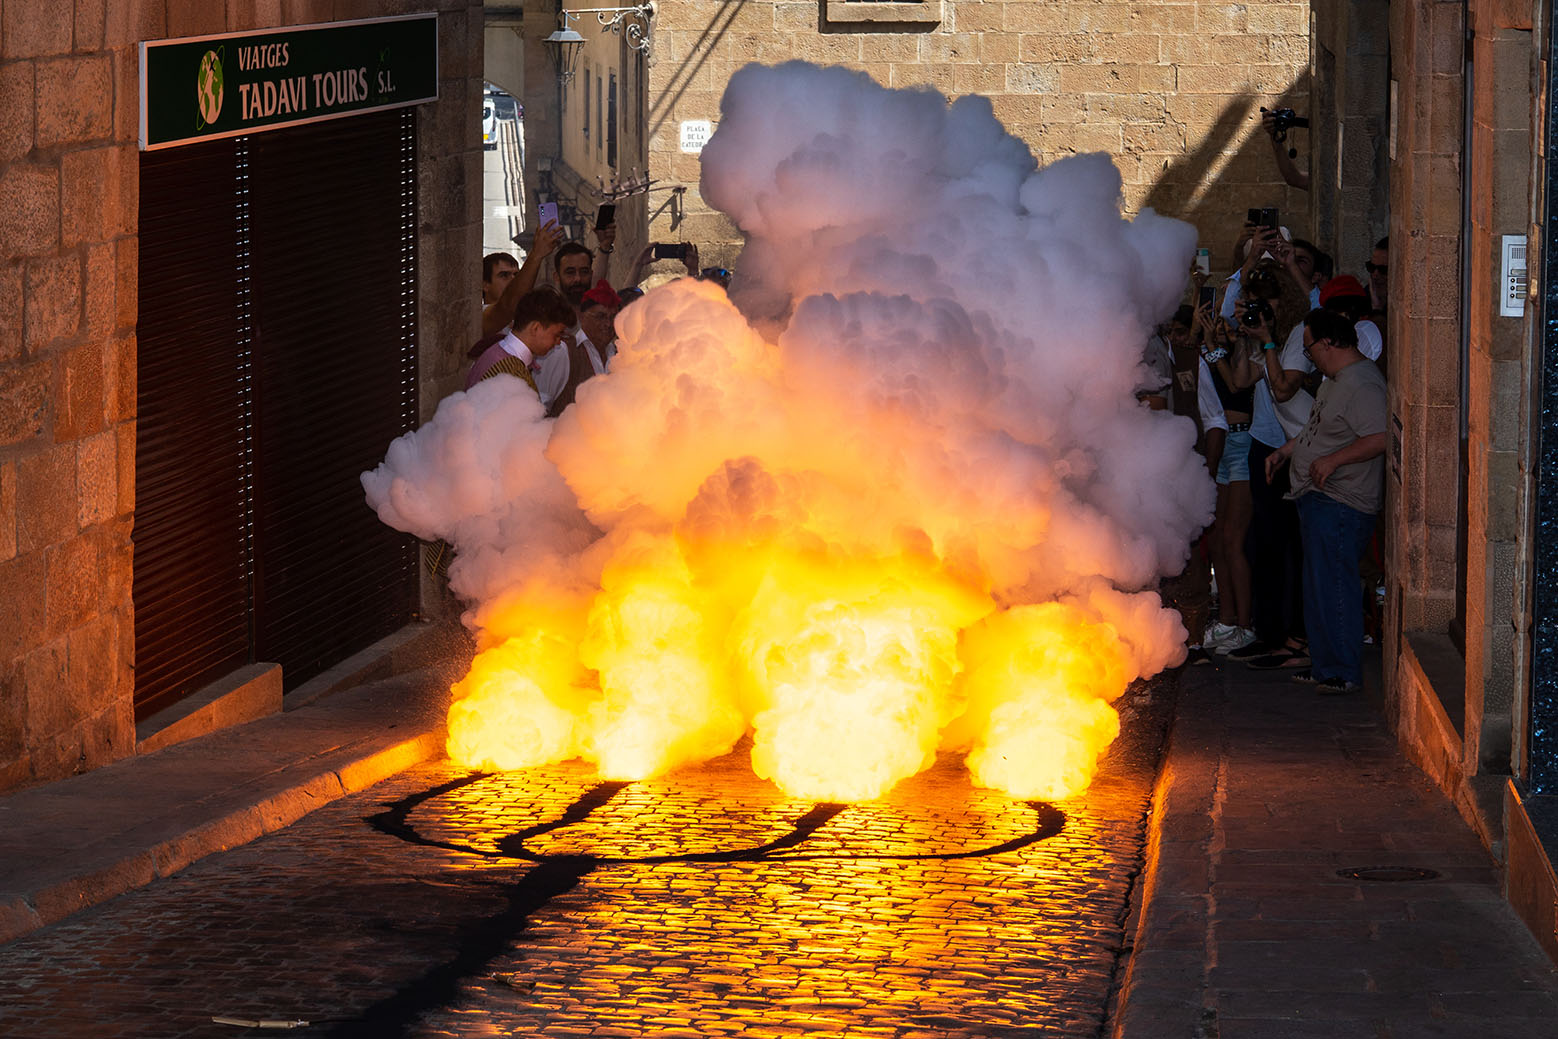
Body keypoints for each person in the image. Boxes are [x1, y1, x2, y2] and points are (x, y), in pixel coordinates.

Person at [1264, 309, 1388, 694]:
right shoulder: (1335, 381)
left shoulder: (1363, 384)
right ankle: (1323, 664)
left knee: (1334, 585)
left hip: (1341, 501)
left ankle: (1341, 670)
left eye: (1309, 348)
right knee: (1318, 585)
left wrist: (1334, 460)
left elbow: (1381, 436)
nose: (1308, 356)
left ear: (1329, 342)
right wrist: (1286, 452)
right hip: (1319, 498)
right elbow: (1319, 430)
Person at [465, 288, 576, 392]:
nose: (558, 342)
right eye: (557, 335)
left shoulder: (496, 351)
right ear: (536, 328)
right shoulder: (512, 374)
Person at [544, 279, 620, 417]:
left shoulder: (619, 354)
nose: (608, 324)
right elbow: (542, 406)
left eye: (613, 317)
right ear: (582, 316)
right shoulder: (562, 351)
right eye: (600, 316)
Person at [482, 221, 564, 338]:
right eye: (504, 275)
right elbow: (508, 305)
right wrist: (536, 254)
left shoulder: (530, 321)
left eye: (516, 275)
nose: (512, 280)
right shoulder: (480, 317)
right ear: (485, 285)